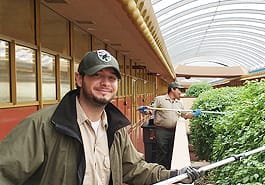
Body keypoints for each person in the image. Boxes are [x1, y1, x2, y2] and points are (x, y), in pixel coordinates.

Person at [0, 49, 200, 185]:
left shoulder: (116, 128)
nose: (105, 83)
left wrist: (173, 175)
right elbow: (5, 172)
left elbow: (133, 168)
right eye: (97, 75)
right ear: (79, 79)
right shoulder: (43, 125)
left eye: (111, 78)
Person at [139, 82, 202, 170]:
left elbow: (185, 115)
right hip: (162, 131)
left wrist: (194, 114)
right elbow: (151, 110)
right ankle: (160, 171)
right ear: (172, 89)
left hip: (174, 131)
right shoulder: (160, 99)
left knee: (172, 152)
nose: (180, 92)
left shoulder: (179, 103)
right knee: (162, 151)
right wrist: (145, 111)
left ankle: (169, 172)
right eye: (179, 90)